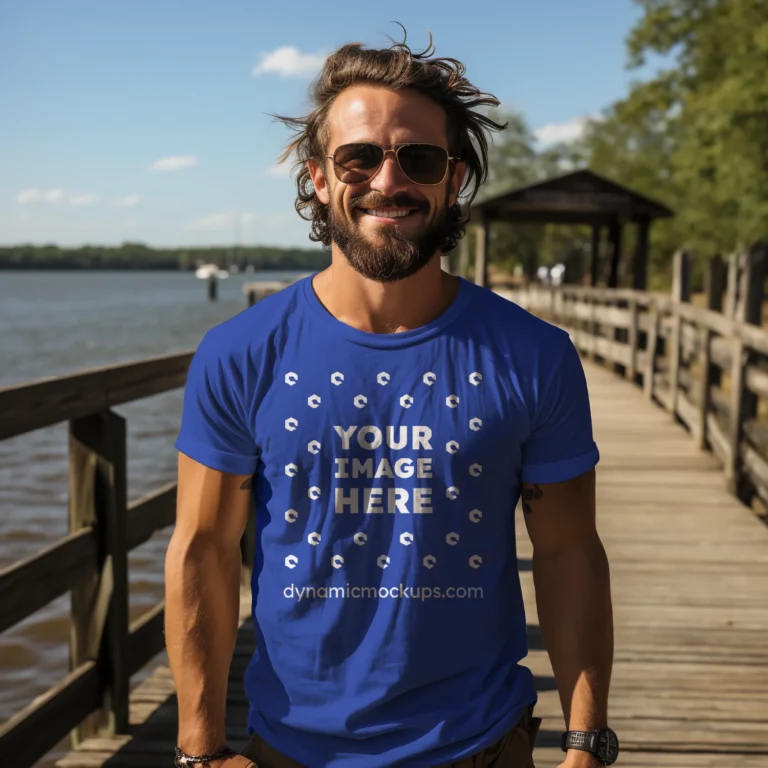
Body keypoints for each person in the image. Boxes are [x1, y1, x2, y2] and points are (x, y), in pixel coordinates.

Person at [166, 28, 616, 768]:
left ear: (454, 177)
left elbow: (569, 551)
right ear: (318, 176)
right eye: (359, 157)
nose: (387, 180)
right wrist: (198, 749)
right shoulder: (241, 354)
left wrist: (587, 741)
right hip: (290, 749)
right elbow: (203, 552)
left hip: (478, 744)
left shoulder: (536, 357)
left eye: (419, 158)